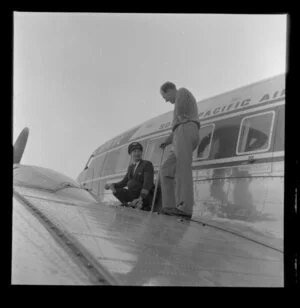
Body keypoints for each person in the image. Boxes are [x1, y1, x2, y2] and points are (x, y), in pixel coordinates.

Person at [159, 82, 200, 219]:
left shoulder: (182, 92)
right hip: (179, 134)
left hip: (186, 130)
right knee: (166, 169)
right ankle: (170, 205)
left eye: (165, 96)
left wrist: (174, 131)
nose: (165, 100)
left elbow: (179, 113)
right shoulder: (178, 115)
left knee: (183, 169)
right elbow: (176, 124)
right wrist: (167, 140)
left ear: (170, 90)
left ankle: (185, 208)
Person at [104, 142, 155, 211]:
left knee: (132, 183)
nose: (137, 153)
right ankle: (129, 204)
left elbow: (147, 183)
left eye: (139, 151)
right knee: (116, 190)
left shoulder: (146, 164)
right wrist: (112, 185)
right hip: (134, 194)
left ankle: (142, 204)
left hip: (145, 196)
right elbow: (123, 182)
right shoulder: (131, 167)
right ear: (130, 154)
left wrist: (141, 197)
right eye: (134, 151)